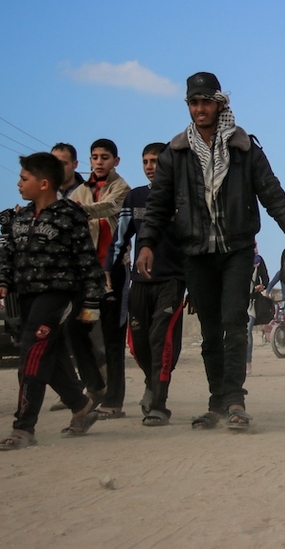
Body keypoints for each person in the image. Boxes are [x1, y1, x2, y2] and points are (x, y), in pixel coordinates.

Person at [136, 71, 285, 432]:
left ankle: (235, 400)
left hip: (236, 248)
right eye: (193, 102)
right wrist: (146, 243)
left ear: (220, 104)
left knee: (234, 322)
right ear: (188, 105)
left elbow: (272, 193)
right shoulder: (175, 153)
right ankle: (216, 401)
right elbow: (158, 204)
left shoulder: (244, 148)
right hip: (196, 252)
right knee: (210, 329)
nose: (200, 108)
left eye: (206, 101)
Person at [0, 152, 106, 449]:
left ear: (44, 183)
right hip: (26, 296)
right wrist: (3, 283)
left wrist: (92, 301)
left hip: (60, 295)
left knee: (32, 354)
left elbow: (87, 261)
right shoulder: (21, 218)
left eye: (24, 178)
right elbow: (10, 258)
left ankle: (23, 428)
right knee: (46, 355)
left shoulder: (71, 215)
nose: (19, 183)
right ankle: (81, 407)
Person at [105, 142, 187, 426]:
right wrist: (107, 269)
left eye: (155, 160)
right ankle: (152, 383)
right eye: (145, 161)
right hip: (139, 282)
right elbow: (120, 238)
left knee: (162, 339)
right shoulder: (135, 198)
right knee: (139, 344)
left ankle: (159, 404)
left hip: (173, 281)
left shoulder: (186, 197)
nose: (150, 166)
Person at [70, 138, 131, 420]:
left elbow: (109, 207)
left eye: (105, 157)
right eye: (94, 157)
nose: (99, 161)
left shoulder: (122, 189)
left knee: (112, 336)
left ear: (115, 161)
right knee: (76, 329)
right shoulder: (79, 192)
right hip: (85, 271)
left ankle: (114, 400)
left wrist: (78, 210)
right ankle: (94, 385)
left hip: (114, 270)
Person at [245, 245, 270, 377]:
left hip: (251, 303)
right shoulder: (236, 261)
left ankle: (247, 362)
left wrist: (262, 286)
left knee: (247, 331)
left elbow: (266, 279)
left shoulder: (258, 261)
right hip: (237, 301)